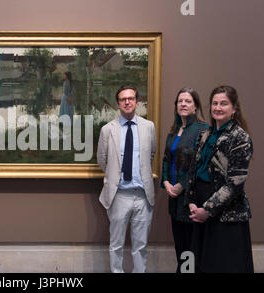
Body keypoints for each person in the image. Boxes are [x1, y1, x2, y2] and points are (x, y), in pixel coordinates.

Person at [184, 85, 254, 273]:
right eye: (215, 103)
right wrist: (191, 201)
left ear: (234, 108)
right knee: (196, 264)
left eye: (224, 103)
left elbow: (235, 184)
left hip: (225, 213)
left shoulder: (240, 138)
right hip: (199, 206)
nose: (218, 107)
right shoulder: (204, 134)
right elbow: (193, 170)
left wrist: (208, 209)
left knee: (222, 265)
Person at [97, 84, 156, 273]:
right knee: (116, 245)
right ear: (118, 104)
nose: (127, 102)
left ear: (137, 102)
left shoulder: (149, 127)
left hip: (142, 196)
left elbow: (151, 154)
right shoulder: (108, 129)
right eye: (123, 99)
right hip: (119, 195)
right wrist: (116, 176)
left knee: (140, 246)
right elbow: (102, 159)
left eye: (131, 98)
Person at [160, 87, 208, 273]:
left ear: (195, 107)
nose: (183, 104)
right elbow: (166, 160)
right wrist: (165, 182)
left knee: (191, 246)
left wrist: (181, 185)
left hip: (191, 198)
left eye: (188, 101)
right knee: (180, 245)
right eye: (180, 101)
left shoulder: (203, 130)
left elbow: (201, 165)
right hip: (174, 199)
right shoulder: (173, 131)